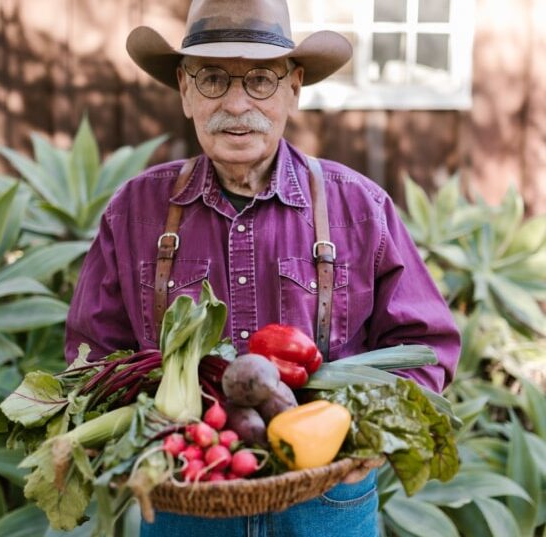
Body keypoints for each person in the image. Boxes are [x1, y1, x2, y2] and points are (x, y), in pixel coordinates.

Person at [65, 0, 461, 535]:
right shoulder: (134, 211)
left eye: (259, 80)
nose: (234, 104)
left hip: (327, 506)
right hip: (187, 502)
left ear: (293, 88)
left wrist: (361, 436)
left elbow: (428, 345)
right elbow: (91, 362)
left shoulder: (360, 207)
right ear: (184, 90)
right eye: (211, 79)